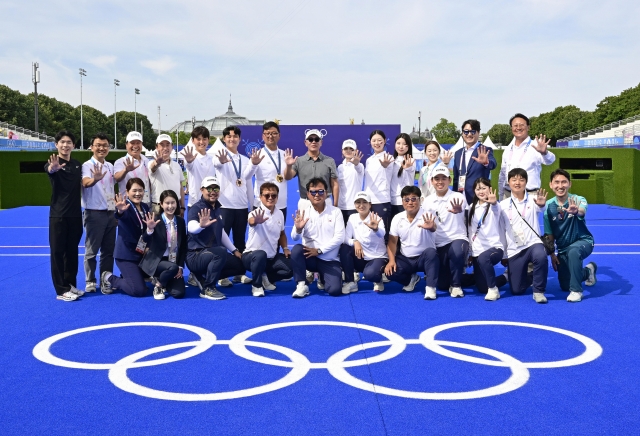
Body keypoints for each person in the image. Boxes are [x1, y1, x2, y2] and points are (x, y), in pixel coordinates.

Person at [213, 126, 263, 286]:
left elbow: (247, 180)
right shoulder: (219, 156)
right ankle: (221, 275)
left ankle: (239, 273)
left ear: (239, 139)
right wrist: (220, 162)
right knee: (222, 242)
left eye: (235, 136)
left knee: (240, 242)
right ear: (224, 139)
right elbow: (217, 165)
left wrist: (251, 205)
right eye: (228, 136)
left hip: (241, 207)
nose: (232, 139)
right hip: (225, 206)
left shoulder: (245, 159)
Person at [186, 176, 246, 300]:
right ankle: (208, 288)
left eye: (216, 188)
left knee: (240, 264)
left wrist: (235, 251)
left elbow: (221, 232)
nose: (213, 191)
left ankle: (201, 276)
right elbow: (191, 227)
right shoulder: (196, 208)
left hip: (211, 254)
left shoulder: (217, 208)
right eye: (209, 188)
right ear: (202, 190)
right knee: (220, 252)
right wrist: (200, 226)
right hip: (196, 255)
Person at [544, 169, 597, 302]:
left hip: (583, 241)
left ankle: (577, 291)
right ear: (551, 184)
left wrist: (577, 211)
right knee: (564, 285)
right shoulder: (548, 207)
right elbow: (550, 235)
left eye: (564, 182)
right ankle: (588, 271)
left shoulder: (578, 199)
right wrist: (552, 255)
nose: (560, 186)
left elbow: (582, 211)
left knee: (574, 251)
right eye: (556, 182)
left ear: (570, 184)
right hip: (563, 248)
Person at [500, 168, 549, 303]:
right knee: (517, 290)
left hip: (533, 243)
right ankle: (533, 275)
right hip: (514, 248)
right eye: (514, 180)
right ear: (508, 183)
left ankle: (539, 291)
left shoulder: (534, 199)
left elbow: (541, 208)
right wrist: (504, 254)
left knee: (541, 255)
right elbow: (501, 230)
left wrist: (542, 204)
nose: (517, 183)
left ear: (526, 182)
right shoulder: (502, 205)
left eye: (521, 180)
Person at [290, 178, 345, 298]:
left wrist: (319, 250)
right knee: (297, 250)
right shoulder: (304, 213)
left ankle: (323, 276)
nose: (317, 195)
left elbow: (340, 238)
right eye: (313, 192)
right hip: (310, 258)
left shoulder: (336, 212)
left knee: (335, 290)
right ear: (308, 194)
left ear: (326, 193)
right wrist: (298, 229)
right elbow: (294, 237)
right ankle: (301, 284)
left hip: (329, 260)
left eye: (320, 191)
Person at [46, 130, 85, 301]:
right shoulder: (53, 163)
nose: (65, 145)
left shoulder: (77, 165)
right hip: (58, 216)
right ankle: (61, 290)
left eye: (69, 142)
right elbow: (50, 170)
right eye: (62, 142)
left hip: (75, 215)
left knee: (71, 252)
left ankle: (70, 285)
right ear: (57, 144)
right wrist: (52, 169)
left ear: (73, 146)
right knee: (57, 252)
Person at [385, 185, 439, 299]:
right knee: (390, 273)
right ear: (402, 201)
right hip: (406, 258)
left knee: (431, 252)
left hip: (424, 259)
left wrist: (430, 227)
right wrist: (391, 261)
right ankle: (411, 279)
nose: (410, 202)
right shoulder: (397, 218)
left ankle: (430, 288)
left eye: (414, 199)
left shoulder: (428, 215)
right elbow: (392, 242)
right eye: (407, 199)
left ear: (420, 200)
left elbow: (434, 228)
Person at [423, 166, 469, 297]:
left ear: (449, 180)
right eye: (436, 179)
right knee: (442, 284)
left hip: (457, 238)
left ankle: (456, 286)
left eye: (444, 178)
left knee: (457, 251)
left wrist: (459, 210)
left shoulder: (458, 197)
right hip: (438, 244)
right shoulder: (427, 201)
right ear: (432, 181)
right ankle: (469, 278)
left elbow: (462, 211)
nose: (440, 182)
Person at [101, 178, 151, 297]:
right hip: (126, 256)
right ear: (127, 192)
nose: (138, 193)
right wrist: (120, 211)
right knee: (139, 290)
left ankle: (128, 276)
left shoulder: (145, 207)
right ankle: (110, 278)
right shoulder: (126, 207)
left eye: (140, 190)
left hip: (140, 253)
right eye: (134, 190)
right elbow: (120, 215)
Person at [242, 182, 293, 297]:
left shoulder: (280, 213)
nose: (270, 198)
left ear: (277, 197)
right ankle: (257, 285)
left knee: (291, 267)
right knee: (260, 254)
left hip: (271, 259)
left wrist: (285, 248)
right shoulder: (255, 213)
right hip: (251, 257)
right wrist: (255, 221)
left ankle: (265, 276)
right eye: (267, 195)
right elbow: (251, 221)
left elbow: (282, 234)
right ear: (260, 197)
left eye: (273, 195)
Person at [81, 133, 117, 294]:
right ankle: (90, 280)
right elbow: (85, 183)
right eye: (98, 145)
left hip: (111, 213)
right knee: (92, 250)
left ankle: (106, 279)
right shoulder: (86, 165)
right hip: (94, 213)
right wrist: (95, 179)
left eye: (105, 145)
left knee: (108, 251)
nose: (102, 148)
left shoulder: (110, 166)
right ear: (92, 147)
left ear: (109, 148)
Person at [139, 190, 188, 300]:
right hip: (157, 261)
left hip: (173, 262)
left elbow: (183, 245)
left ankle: (163, 279)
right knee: (172, 267)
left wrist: (180, 266)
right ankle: (158, 285)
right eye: (167, 203)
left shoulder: (180, 221)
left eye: (173, 202)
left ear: (177, 203)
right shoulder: (155, 220)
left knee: (179, 293)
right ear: (161, 204)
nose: (170, 206)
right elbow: (142, 242)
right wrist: (149, 230)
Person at [498, 113, 555, 200]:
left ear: (528, 127)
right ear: (511, 128)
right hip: (508, 195)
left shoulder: (535, 145)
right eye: (515, 125)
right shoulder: (508, 149)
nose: (518, 128)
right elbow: (502, 174)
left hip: (530, 195)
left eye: (521, 125)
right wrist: (501, 195)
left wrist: (544, 152)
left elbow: (550, 160)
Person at [340, 192, 388, 293]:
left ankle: (378, 279)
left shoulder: (377, 218)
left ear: (370, 205)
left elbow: (382, 234)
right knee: (344, 248)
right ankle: (350, 282)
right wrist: (355, 241)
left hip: (377, 257)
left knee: (370, 275)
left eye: (364, 202)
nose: (361, 205)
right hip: (361, 256)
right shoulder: (352, 218)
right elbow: (345, 238)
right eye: (358, 202)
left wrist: (376, 229)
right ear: (354, 205)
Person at [465, 178, 505, 301]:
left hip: (494, 248)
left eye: (483, 188)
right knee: (482, 287)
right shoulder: (471, 207)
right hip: (477, 251)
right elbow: (471, 232)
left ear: (489, 188)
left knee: (484, 258)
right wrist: (470, 253)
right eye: (478, 189)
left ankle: (494, 290)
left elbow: (496, 209)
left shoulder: (495, 206)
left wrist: (493, 202)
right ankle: (505, 277)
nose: (481, 191)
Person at [284, 129, 339, 209]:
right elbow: (288, 177)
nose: (314, 142)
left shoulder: (330, 161)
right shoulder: (299, 161)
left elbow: (335, 184)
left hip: (325, 202)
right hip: (305, 203)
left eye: (316, 139)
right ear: (305, 143)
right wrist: (288, 166)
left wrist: (336, 205)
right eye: (310, 139)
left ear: (321, 143)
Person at [452, 119, 497, 204]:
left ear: (478, 132)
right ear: (462, 133)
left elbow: (493, 164)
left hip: (479, 198)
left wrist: (486, 162)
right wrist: (454, 195)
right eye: (466, 131)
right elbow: (456, 178)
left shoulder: (485, 150)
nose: (469, 134)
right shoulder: (458, 153)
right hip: (460, 199)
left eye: (472, 131)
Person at [254, 122, 288, 222]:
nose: (270, 136)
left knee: (279, 235)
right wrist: (253, 164)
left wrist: (289, 165)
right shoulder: (257, 155)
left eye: (274, 133)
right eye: (267, 133)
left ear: (279, 136)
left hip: (280, 204)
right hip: (261, 204)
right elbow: (246, 177)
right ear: (263, 136)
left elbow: (289, 177)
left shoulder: (285, 155)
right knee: (260, 236)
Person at [364, 130, 395, 240]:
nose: (377, 143)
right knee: (370, 231)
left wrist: (385, 165)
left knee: (383, 232)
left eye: (379, 140)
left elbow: (388, 171)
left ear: (385, 141)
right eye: (374, 140)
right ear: (370, 142)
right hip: (369, 201)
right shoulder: (368, 160)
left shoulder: (389, 158)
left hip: (382, 201)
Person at [149, 134, 185, 216]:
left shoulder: (177, 165)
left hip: (175, 207)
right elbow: (153, 168)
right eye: (162, 145)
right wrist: (157, 164)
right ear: (157, 147)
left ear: (172, 147)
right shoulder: (151, 163)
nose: (165, 148)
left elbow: (180, 187)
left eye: (168, 145)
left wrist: (182, 207)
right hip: (158, 207)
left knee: (177, 229)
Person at [180, 126, 215, 208]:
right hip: (194, 203)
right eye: (198, 139)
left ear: (208, 140)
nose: (201, 142)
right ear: (193, 141)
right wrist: (189, 161)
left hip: (210, 203)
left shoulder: (212, 159)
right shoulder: (191, 157)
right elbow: (189, 166)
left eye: (204, 139)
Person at [114, 131, 151, 206]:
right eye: (132, 143)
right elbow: (117, 178)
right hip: (128, 203)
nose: (135, 146)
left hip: (146, 202)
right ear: (126, 145)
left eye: (138, 143)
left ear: (142, 144)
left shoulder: (146, 161)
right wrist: (126, 170)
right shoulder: (120, 161)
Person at [337, 139, 364, 224]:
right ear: (342, 151)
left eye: (351, 149)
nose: (348, 151)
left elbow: (358, 168)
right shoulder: (340, 167)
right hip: (341, 207)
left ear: (356, 151)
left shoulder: (360, 166)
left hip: (354, 207)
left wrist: (356, 163)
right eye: (346, 149)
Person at [390, 133, 416, 216]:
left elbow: (410, 168)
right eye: (398, 143)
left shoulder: (411, 161)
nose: (401, 147)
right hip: (391, 200)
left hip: (405, 201)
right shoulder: (391, 160)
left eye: (405, 144)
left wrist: (407, 167)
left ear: (409, 146)